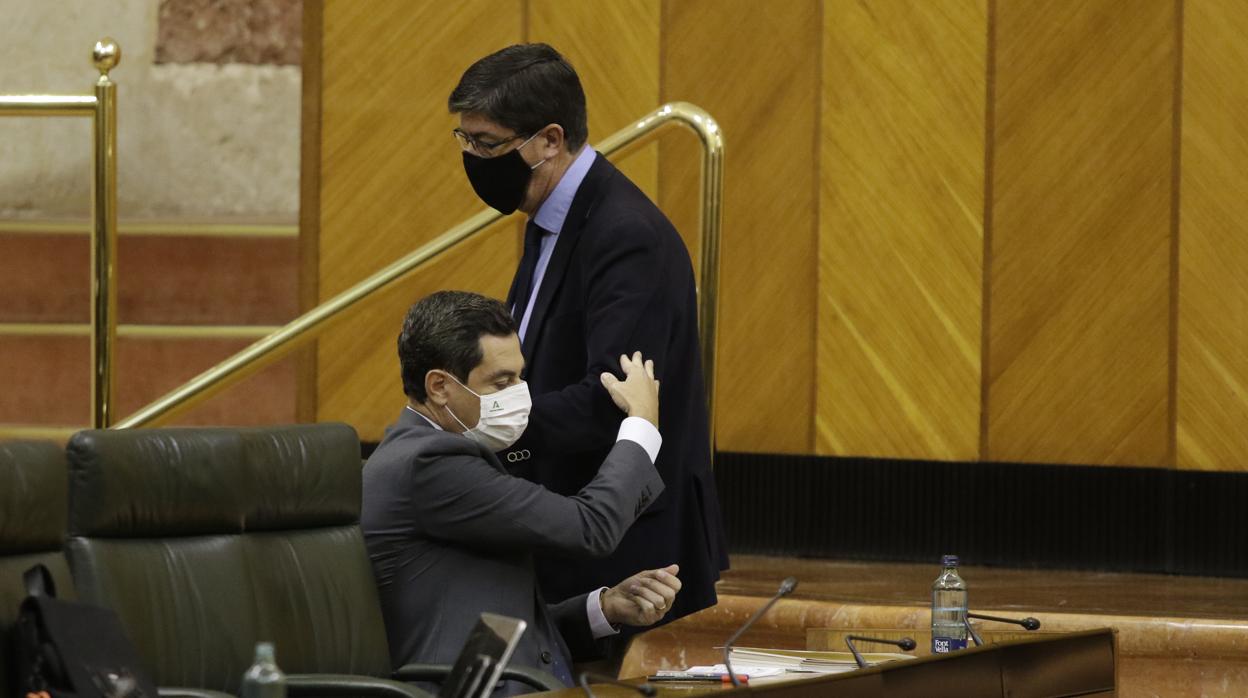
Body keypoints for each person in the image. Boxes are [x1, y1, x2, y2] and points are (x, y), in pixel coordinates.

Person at [447, 43, 728, 635]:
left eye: (487, 144)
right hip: (565, 521)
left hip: (626, 547)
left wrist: (483, 424)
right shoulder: (552, 216)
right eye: (464, 140)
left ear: (550, 140)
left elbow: (612, 400)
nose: (473, 158)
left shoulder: (625, 235)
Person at [361, 290, 682, 695]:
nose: (520, 393)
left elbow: (494, 621)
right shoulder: (430, 463)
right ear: (439, 386)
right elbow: (590, 527)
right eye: (502, 381)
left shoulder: (437, 455)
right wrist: (643, 424)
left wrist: (603, 608)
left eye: (519, 376)